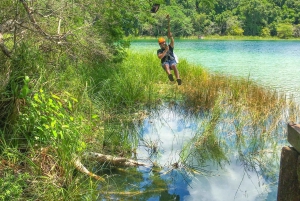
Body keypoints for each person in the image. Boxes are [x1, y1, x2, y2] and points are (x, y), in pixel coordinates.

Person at [157, 15, 181, 85]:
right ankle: (170, 76)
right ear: (160, 45)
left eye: (163, 43)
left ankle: (178, 79)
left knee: (174, 66)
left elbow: (172, 42)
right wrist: (165, 51)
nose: (163, 44)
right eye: (161, 43)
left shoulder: (170, 46)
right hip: (165, 62)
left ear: (165, 42)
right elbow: (160, 57)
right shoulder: (159, 51)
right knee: (166, 65)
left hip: (172, 60)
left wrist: (171, 37)